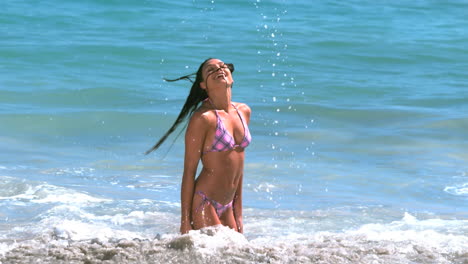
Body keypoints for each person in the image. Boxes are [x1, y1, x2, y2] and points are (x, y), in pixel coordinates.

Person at [146, 58, 252, 234]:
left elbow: (238, 170)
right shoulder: (203, 118)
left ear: (231, 77)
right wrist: (185, 222)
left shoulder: (244, 111)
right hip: (205, 202)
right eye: (210, 69)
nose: (219, 69)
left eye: (222, 66)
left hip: (228, 205)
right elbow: (189, 171)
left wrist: (238, 214)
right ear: (203, 85)